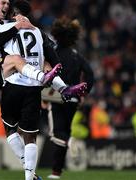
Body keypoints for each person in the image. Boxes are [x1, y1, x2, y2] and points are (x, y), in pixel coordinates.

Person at [46, 17, 94, 179]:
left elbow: (47, 74)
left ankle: (70, 141)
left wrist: (43, 96)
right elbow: (90, 74)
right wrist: (83, 94)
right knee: (64, 131)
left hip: (56, 97)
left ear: (56, 35)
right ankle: (56, 172)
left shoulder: (53, 53)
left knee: (57, 134)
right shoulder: (76, 56)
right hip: (73, 99)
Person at [0, 0, 61, 90]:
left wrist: (27, 23)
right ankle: (43, 78)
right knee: (16, 58)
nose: (6, 6)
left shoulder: (8, 23)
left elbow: (50, 43)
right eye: (3, 3)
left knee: (42, 60)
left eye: (8, 4)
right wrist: (19, 25)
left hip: (7, 66)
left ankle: (62, 88)